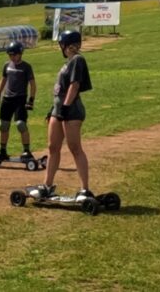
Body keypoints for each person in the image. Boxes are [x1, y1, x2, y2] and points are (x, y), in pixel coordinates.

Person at [36, 30, 92, 201]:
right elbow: (61, 89)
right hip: (58, 110)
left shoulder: (77, 60)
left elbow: (74, 86)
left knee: (75, 147)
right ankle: (47, 185)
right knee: (53, 147)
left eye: (62, 44)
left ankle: (85, 189)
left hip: (71, 110)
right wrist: (53, 109)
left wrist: (66, 107)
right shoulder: (68, 62)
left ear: (65, 45)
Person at [0, 41, 37, 162]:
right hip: (7, 99)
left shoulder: (26, 67)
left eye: (14, 55)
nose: (11, 57)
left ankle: (26, 150)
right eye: (10, 55)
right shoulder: (7, 65)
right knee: (3, 125)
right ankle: (2, 150)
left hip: (20, 99)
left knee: (21, 124)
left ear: (20, 53)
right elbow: (3, 80)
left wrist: (31, 99)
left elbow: (32, 84)